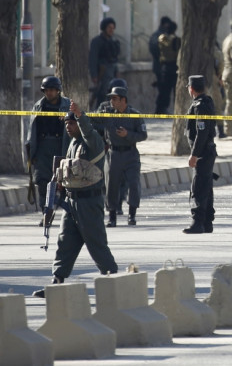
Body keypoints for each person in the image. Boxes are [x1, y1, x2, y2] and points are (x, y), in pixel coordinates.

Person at [32, 101, 118, 298]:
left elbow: (87, 130)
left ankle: (113, 280)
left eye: (71, 124)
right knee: (65, 243)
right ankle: (57, 281)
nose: (68, 127)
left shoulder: (92, 141)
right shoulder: (72, 144)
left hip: (89, 203)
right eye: (66, 124)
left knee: (96, 244)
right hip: (71, 202)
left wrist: (80, 116)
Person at [26, 76, 71, 224]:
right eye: (47, 90)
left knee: (64, 183)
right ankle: (46, 213)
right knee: (42, 182)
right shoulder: (39, 106)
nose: (49, 93)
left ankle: (68, 213)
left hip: (61, 146)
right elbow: (32, 131)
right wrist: (30, 151)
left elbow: (76, 126)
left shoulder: (67, 105)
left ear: (58, 90)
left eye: (52, 90)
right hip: (43, 148)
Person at [100, 86, 147, 227]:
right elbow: (92, 120)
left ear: (123, 100)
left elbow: (143, 135)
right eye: (111, 98)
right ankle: (112, 216)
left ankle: (132, 215)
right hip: (113, 154)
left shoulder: (134, 115)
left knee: (133, 184)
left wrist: (128, 135)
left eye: (114, 98)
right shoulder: (107, 113)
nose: (111, 101)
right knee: (111, 186)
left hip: (130, 154)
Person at [184, 75, 217, 234]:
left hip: (203, 152)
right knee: (206, 187)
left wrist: (194, 155)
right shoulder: (207, 102)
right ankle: (207, 222)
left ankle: (198, 223)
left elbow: (201, 133)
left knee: (198, 188)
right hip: (208, 151)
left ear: (191, 89)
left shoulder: (200, 106)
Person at [94, 78, 129, 215]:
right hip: (105, 146)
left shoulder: (128, 109)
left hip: (122, 147)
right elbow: (95, 122)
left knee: (123, 179)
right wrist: (108, 130)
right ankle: (109, 204)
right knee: (107, 178)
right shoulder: (104, 107)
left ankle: (119, 203)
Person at [89, 17, 121, 110]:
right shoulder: (97, 41)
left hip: (112, 72)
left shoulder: (113, 41)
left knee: (113, 94)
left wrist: (117, 72)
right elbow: (93, 59)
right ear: (104, 28)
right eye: (109, 28)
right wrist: (94, 75)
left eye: (113, 28)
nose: (111, 30)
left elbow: (115, 59)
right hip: (102, 72)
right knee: (102, 94)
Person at [155, 20, 181, 114]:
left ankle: (160, 109)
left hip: (164, 67)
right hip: (174, 66)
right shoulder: (176, 40)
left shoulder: (162, 38)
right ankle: (177, 110)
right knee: (175, 90)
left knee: (164, 91)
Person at [148, 16, 172, 88]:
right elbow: (155, 49)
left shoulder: (163, 34)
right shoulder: (159, 35)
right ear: (165, 24)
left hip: (163, 68)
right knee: (163, 92)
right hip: (160, 67)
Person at [212, 41, 227, 139]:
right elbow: (221, 61)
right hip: (211, 77)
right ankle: (220, 131)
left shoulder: (191, 43)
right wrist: (219, 75)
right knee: (217, 104)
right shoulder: (212, 46)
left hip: (192, 77)